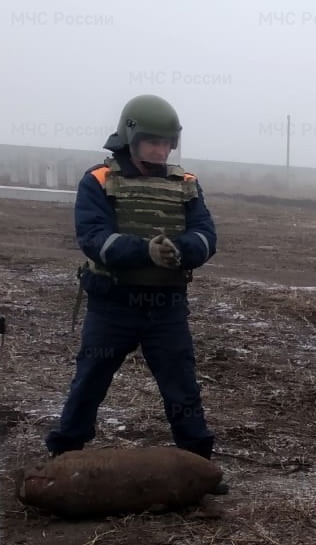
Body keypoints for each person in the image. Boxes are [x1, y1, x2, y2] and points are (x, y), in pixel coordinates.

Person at [45, 95, 224, 486]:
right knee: (90, 381)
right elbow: (93, 238)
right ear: (130, 138)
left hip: (167, 307)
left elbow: (207, 236)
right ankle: (63, 456)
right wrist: (143, 251)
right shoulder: (99, 180)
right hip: (113, 304)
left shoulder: (187, 185)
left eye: (166, 143)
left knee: (182, 387)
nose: (160, 151)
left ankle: (198, 464)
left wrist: (182, 250)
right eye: (151, 142)